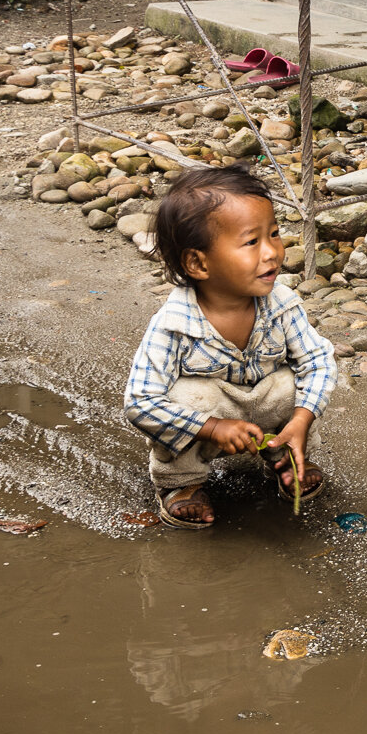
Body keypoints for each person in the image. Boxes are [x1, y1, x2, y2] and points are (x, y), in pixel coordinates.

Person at [124, 164, 337, 529]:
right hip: (205, 418)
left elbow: (318, 362)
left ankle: (285, 456)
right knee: (189, 396)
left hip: (264, 408)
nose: (271, 252)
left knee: (291, 384)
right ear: (198, 262)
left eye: (273, 235)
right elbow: (140, 402)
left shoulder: (282, 304)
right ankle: (182, 485)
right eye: (252, 242)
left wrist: (302, 419)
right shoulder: (174, 325)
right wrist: (211, 427)